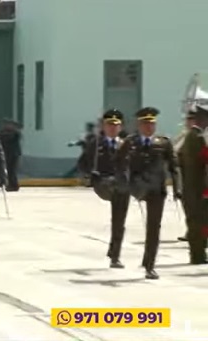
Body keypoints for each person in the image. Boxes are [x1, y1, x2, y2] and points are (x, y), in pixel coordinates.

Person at [115, 107, 181, 280]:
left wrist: (177, 189)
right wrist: (124, 182)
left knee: (153, 228)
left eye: (152, 123)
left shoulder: (163, 142)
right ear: (139, 125)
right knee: (120, 219)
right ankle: (115, 254)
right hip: (136, 187)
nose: (149, 127)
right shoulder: (131, 142)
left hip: (156, 190)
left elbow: (174, 167)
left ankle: (149, 265)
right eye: (145, 123)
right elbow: (118, 163)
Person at [77, 109, 130, 268]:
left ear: (120, 127)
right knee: (114, 195)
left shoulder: (126, 144)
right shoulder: (96, 143)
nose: (112, 128)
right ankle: (114, 254)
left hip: (121, 185)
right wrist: (90, 174)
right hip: (103, 183)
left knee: (119, 221)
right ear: (104, 126)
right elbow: (82, 162)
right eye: (109, 125)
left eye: (116, 125)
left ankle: (115, 255)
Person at [179, 107, 208, 264]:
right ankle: (197, 255)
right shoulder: (196, 137)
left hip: (192, 186)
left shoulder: (192, 136)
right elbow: (203, 158)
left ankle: (199, 253)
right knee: (197, 222)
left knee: (198, 221)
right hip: (196, 187)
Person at [174, 111, 196, 241]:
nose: (188, 122)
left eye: (191, 120)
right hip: (183, 176)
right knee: (187, 205)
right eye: (188, 120)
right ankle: (191, 230)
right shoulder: (183, 135)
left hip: (196, 176)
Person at [0, 118, 22, 192]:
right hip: (7, 154)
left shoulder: (15, 133)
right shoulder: (4, 132)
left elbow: (7, 137)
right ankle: (11, 184)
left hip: (13, 154)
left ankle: (14, 185)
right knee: (9, 170)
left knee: (12, 170)